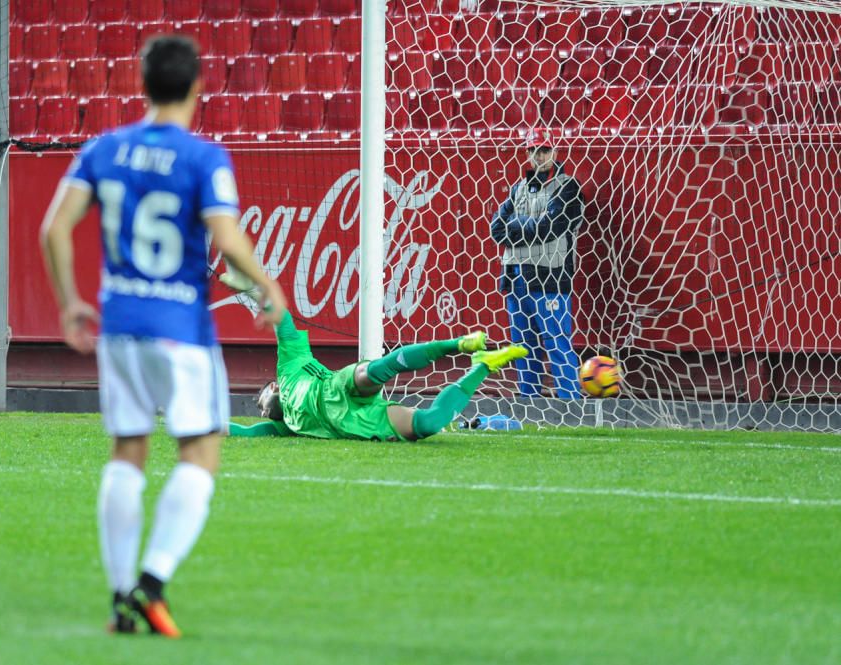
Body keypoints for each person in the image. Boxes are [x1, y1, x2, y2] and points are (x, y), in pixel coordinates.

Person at [39, 35, 287, 638]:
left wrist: (71, 303)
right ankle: (151, 584)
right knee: (199, 451)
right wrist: (267, 287)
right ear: (198, 87)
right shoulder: (204, 157)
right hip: (181, 329)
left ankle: (122, 596)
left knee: (128, 451)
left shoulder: (104, 148)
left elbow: (54, 228)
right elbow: (226, 241)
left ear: (142, 85)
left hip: (120, 326)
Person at [219, 271, 528, 442]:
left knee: (376, 370)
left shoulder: (289, 367)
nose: (261, 413)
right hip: (356, 421)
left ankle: (458, 344)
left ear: (272, 388)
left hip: (336, 387)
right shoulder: (284, 425)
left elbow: (283, 321)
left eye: (259, 405)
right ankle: (481, 366)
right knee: (428, 424)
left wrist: (253, 289)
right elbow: (244, 431)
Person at [490, 128, 585, 399]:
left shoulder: (568, 186)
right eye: (533, 150)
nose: (538, 156)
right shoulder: (518, 188)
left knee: (557, 341)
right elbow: (496, 229)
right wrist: (527, 228)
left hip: (550, 276)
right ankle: (528, 400)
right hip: (515, 275)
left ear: (555, 152)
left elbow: (551, 227)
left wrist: (516, 227)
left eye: (543, 150)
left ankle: (571, 401)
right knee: (523, 344)